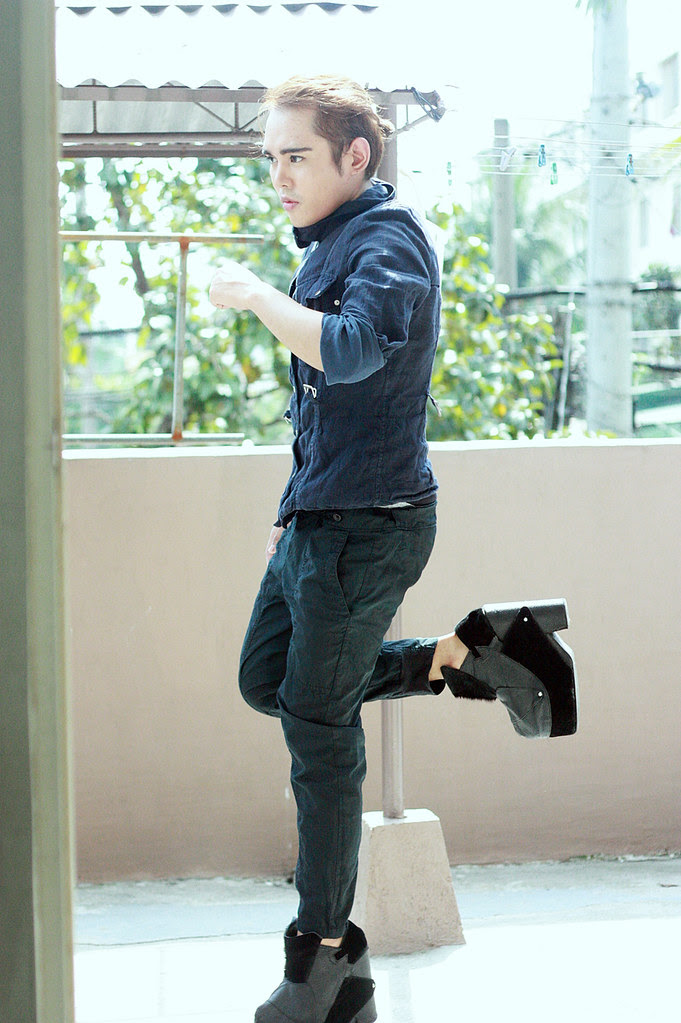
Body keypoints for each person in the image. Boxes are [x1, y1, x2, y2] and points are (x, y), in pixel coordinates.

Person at [209, 74, 577, 1023]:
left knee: (317, 730)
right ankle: (473, 655)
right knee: (266, 680)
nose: (279, 176)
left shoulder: (389, 238)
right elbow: (322, 410)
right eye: (271, 159)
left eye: (296, 156)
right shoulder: (330, 242)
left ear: (355, 155)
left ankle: (325, 958)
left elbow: (354, 349)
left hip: (369, 528)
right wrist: (290, 507)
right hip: (316, 520)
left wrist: (255, 295)